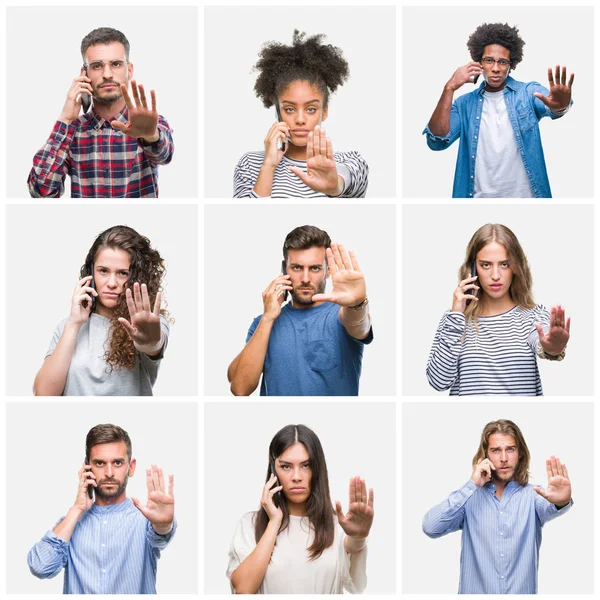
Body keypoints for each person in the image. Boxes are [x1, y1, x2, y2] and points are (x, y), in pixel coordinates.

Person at [423, 22, 574, 198]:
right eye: (489, 60)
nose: (495, 68)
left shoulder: (527, 93)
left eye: (502, 62)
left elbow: (551, 104)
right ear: (480, 62)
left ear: (511, 65)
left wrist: (560, 105)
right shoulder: (464, 105)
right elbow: (436, 141)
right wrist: (449, 88)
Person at [422, 419, 572, 594]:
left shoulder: (534, 496)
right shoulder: (468, 498)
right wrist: (471, 485)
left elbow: (551, 506)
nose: (503, 458)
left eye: (510, 449)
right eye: (495, 450)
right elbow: (430, 527)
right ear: (485, 455)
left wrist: (561, 500)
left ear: (520, 453)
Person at [28, 424, 176, 594]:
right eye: (100, 463)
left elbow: (161, 534)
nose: (109, 472)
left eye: (118, 462)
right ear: (86, 467)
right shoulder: (71, 523)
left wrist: (164, 525)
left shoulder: (146, 520)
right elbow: (40, 567)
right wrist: (77, 509)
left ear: (131, 466)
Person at [28, 27, 174, 198]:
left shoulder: (147, 122)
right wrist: (66, 119)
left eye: (116, 64)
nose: (107, 74)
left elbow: (164, 155)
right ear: (84, 73)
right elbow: (41, 192)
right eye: (97, 66)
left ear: (130, 69)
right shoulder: (71, 132)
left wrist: (151, 136)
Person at [227, 424, 373, 594]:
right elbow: (243, 590)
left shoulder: (337, 526)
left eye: (306, 465)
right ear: (274, 470)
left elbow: (356, 585)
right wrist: (274, 522)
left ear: (317, 469)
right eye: (286, 466)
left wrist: (358, 536)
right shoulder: (250, 525)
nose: (296, 477)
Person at [227, 225, 373, 396]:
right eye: (297, 267)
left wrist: (357, 304)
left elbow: (359, 324)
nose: (305, 279)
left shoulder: (341, 314)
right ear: (284, 269)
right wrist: (268, 317)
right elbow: (240, 388)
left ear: (328, 271)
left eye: (315, 268)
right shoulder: (263, 324)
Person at [426, 223, 569, 395]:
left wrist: (553, 346)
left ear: (516, 267)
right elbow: (438, 382)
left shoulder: (533, 315)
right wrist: (457, 316)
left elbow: (542, 342)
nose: (495, 276)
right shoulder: (454, 320)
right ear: (473, 268)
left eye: (505, 264)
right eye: (486, 265)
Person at [33, 225, 171, 396]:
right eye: (103, 271)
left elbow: (153, 343)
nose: (112, 283)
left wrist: (149, 341)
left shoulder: (149, 322)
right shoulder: (66, 327)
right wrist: (74, 324)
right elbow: (44, 394)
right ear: (91, 272)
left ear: (137, 276)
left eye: (123, 273)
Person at [234, 30, 368, 198]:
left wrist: (334, 186)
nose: (300, 119)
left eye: (311, 109)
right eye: (289, 109)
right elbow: (249, 217)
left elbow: (346, 182)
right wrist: (268, 166)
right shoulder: (249, 164)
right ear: (278, 111)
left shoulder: (349, 160)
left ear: (324, 112)